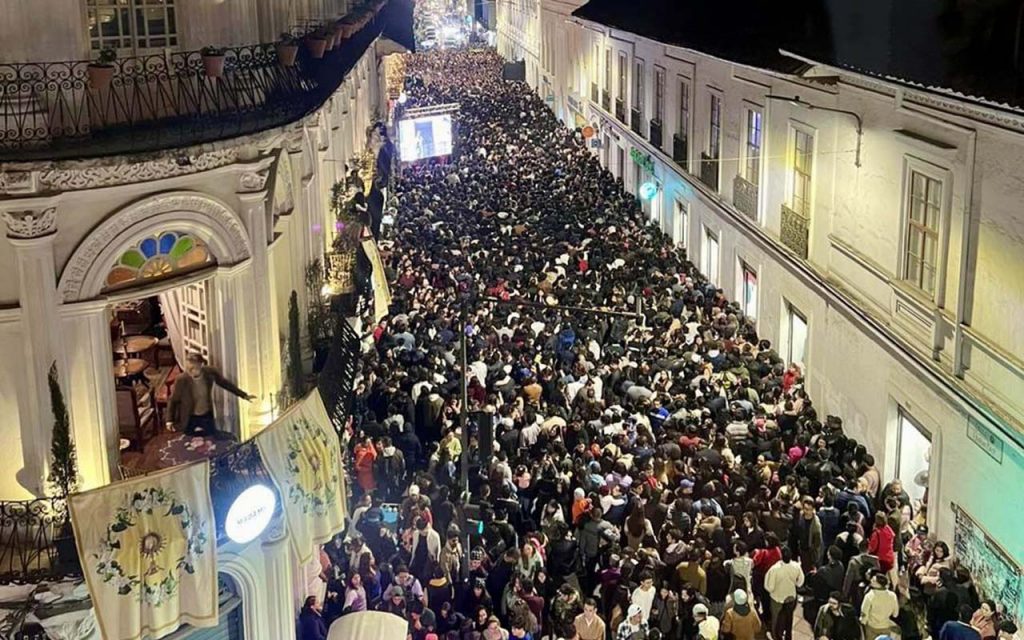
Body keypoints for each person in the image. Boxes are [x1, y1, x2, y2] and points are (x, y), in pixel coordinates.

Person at [166, 353, 255, 437]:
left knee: (211, 438)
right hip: (190, 417)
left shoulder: (210, 372)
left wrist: (244, 395)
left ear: (201, 365)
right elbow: (173, 400)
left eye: (193, 368)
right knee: (189, 441)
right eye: (188, 368)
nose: (189, 371)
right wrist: (169, 420)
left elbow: (225, 384)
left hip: (206, 414)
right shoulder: (182, 379)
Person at [764, 548, 804, 640]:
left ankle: (776, 636)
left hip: (777, 598)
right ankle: (788, 636)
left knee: (776, 619)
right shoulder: (796, 566)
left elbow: (769, 587)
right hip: (791, 596)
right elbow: (800, 582)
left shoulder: (774, 569)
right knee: (789, 618)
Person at [860, 573, 899, 640]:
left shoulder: (869, 596)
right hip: (885, 626)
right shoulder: (892, 596)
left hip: (871, 628)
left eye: (873, 580)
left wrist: (862, 622)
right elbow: (895, 614)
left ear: (879, 584)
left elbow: (864, 613)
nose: (871, 580)